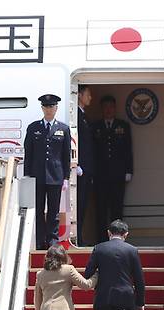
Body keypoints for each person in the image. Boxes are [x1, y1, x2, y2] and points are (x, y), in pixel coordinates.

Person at [24, 94, 71, 250]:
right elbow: (28, 153)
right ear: (42, 108)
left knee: (54, 212)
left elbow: (66, 155)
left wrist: (66, 177)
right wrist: (27, 175)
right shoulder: (33, 128)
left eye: (52, 106)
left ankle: (52, 241)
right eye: (46, 106)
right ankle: (38, 240)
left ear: (56, 108)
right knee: (37, 210)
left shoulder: (63, 128)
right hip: (37, 176)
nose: (49, 109)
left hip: (55, 176)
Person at [85, 219, 145, 310]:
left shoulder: (99, 248)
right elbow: (139, 279)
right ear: (126, 234)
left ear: (109, 233)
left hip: (105, 297)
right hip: (126, 298)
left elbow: (88, 273)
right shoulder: (132, 250)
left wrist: (101, 273)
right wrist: (140, 302)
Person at [93, 95, 134, 243]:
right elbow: (92, 152)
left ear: (115, 108)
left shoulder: (123, 125)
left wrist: (129, 170)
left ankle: (118, 238)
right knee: (101, 210)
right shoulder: (95, 126)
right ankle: (101, 240)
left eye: (111, 107)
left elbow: (128, 150)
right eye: (105, 107)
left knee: (117, 208)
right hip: (100, 176)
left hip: (118, 175)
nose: (108, 110)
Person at [76, 85, 95, 246]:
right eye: (88, 94)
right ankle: (78, 238)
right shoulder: (75, 115)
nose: (90, 98)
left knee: (83, 204)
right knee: (79, 204)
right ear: (79, 95)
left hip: (87, 168)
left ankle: (80, 237)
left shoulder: (84, 116)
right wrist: (78, 164)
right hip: (81, 169)